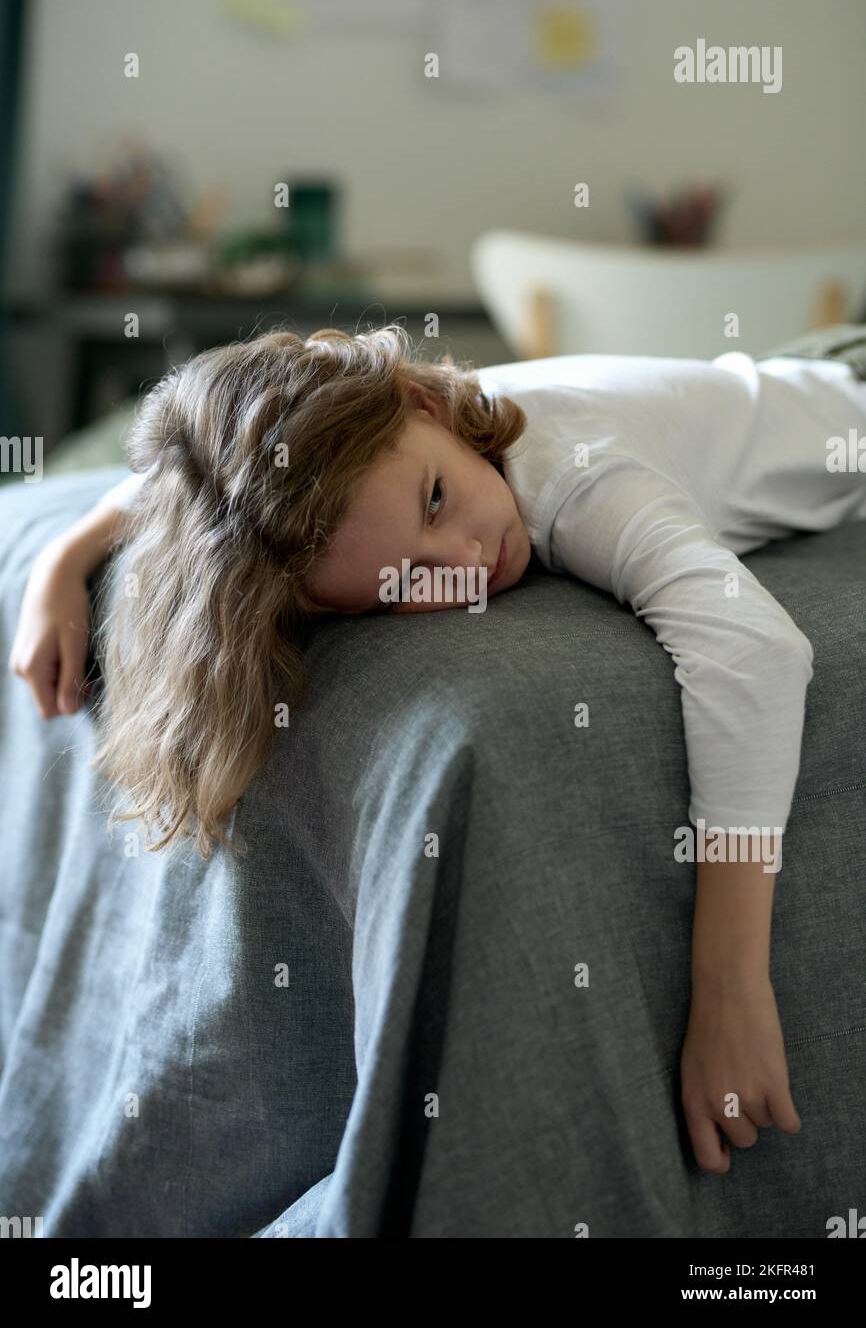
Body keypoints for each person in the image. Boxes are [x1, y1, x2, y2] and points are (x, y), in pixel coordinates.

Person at [8, 322, 866, 1177]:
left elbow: (755, 653)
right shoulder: (395, 439)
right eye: (403, 582)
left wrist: (730, 991)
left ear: (423, 402)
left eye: (434, 501)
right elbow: (208, 471)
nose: (463, 564)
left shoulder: (581, 483)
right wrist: (65, 554)